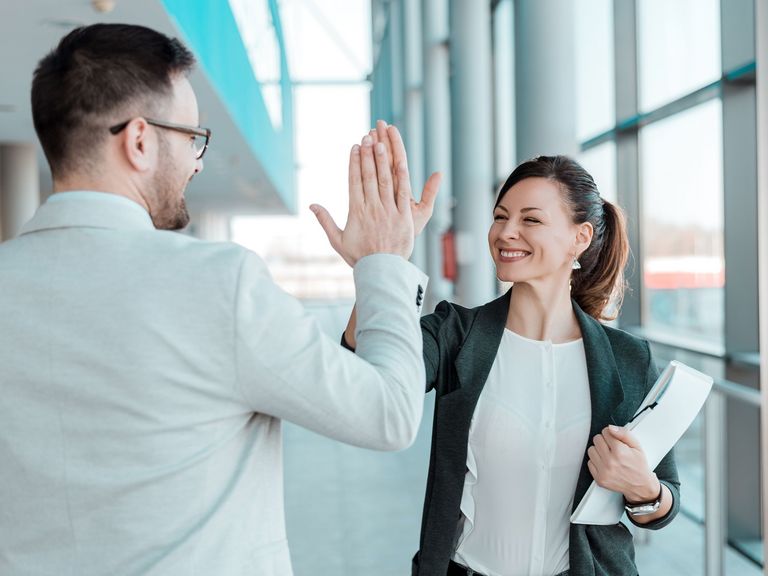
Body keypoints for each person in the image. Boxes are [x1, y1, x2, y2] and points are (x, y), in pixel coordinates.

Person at [0, 24, 429, 576]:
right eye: (191, 138)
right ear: (139, 140)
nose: (198, 162)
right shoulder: (218, 284)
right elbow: (388, 415)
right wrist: (384, 262)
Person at [327, 126, 680, 576]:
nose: (506, 232)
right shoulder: (455, 333)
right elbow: (366, 383)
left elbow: (663, 502)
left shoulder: (628, 359)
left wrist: (642, 487)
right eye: (500, 216)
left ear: (581, 237)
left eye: (530, 220)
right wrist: (377, 265)